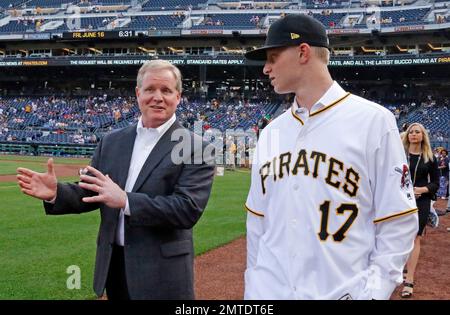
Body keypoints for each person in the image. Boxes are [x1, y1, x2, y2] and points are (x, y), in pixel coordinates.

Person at [243, 14, 418, 300]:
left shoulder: (373, 120)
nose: (266, 68)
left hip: (341, 293)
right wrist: (255, 289)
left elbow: (398, 219)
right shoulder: (271, 132)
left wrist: (374, 293)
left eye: (273, 57)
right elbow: (257, 223)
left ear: (303, 52)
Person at [16, 60, 216, 300]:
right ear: (138, 93)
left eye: (166, 90)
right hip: (115, 267)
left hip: (162, 273)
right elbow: (90, 192)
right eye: (150, 89)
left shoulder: (196, 147)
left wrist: (125, 200)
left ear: (178, 96)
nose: (158, 97)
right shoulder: (112, 141)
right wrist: (55, 193)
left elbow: (186, 210)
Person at [400, 123, 439, 298]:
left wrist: (421, 190)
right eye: (411, 132)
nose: (414, 134)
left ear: (423, 136)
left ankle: (409, 280)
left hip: (420, 201)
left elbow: (436, 183)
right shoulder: (399, 154)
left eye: (417, 132)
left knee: (415, 237)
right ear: (407, 135)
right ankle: (396, 270)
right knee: (397, 235)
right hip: (399, 200)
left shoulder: (429, 157)